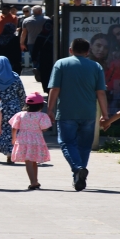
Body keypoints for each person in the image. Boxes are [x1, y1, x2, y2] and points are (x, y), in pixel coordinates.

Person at [47, 38, 109, 191]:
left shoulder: (61, 64)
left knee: (67, 143)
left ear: (70, 50)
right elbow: (100, 92)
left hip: (67, 112)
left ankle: (77, 168)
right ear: (88, 52)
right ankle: (78, 175)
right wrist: (105, 115)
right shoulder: (96, 66)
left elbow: (55, 89)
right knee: (84, 146)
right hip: (88, 113)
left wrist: (49, 110)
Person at [10, 92, 52, 190]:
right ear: (41, 105)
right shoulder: (42, 115)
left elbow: (14, 127)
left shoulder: (20, 114)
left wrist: (14, 138)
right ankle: (34, 181)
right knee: (33, 161)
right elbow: (45, 128)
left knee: (28, 161)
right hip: (37, 140)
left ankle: (34, 181)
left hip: (23, 140)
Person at [20, 5, 49, 82]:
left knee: (34, 58)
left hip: (31, 42)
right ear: (40, 11)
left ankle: (36, 68)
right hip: (44, 42)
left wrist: (22, 43)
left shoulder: (26, 20)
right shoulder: (47, 19)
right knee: (43, 57)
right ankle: (41, 71)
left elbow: (24, 33)